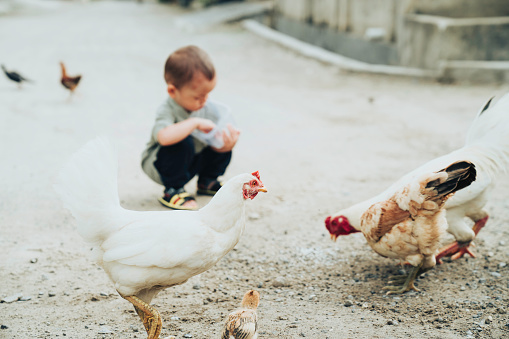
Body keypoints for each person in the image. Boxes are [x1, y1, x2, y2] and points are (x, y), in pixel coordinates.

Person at [141, 45, 240, 210]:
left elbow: (216, 138)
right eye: (198, 97)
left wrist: (225, 146)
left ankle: (207, 181)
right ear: (173, 91)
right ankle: (172, 190)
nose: (204, 100)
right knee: (183, 141)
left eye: (207, 94)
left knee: (219, 137)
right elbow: (164, 137)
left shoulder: (205, 107)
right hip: (161, 165)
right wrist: (194, 123)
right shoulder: (167, 110)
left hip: (191, 160)